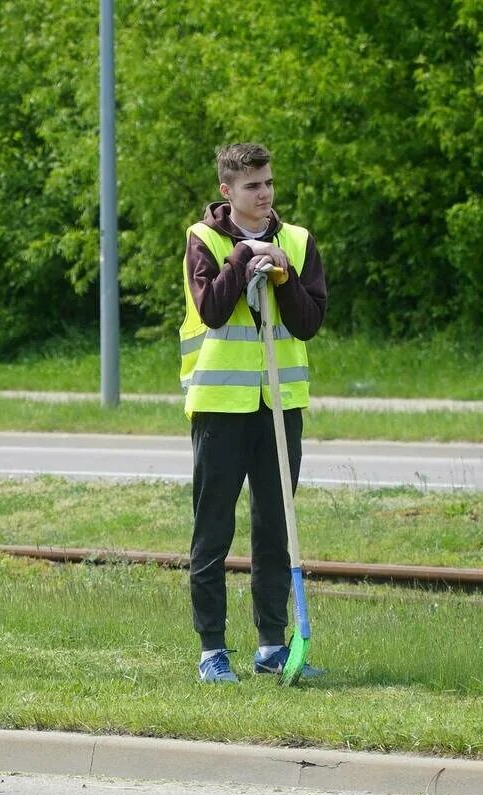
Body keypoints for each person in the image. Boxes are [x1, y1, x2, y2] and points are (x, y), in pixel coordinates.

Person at [179, 143, 328, 683]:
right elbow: (213, 311)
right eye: (251, 187)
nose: (263, 194)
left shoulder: (299, 241)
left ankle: (272, 644)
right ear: (227, 192)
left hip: (279, 406)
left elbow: (310, 323)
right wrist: (243, 258)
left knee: (275, 527)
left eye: (267, 184)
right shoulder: (205, 241)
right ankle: (212, 650)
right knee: (212, 527)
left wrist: (285, 275)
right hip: (220, 406)